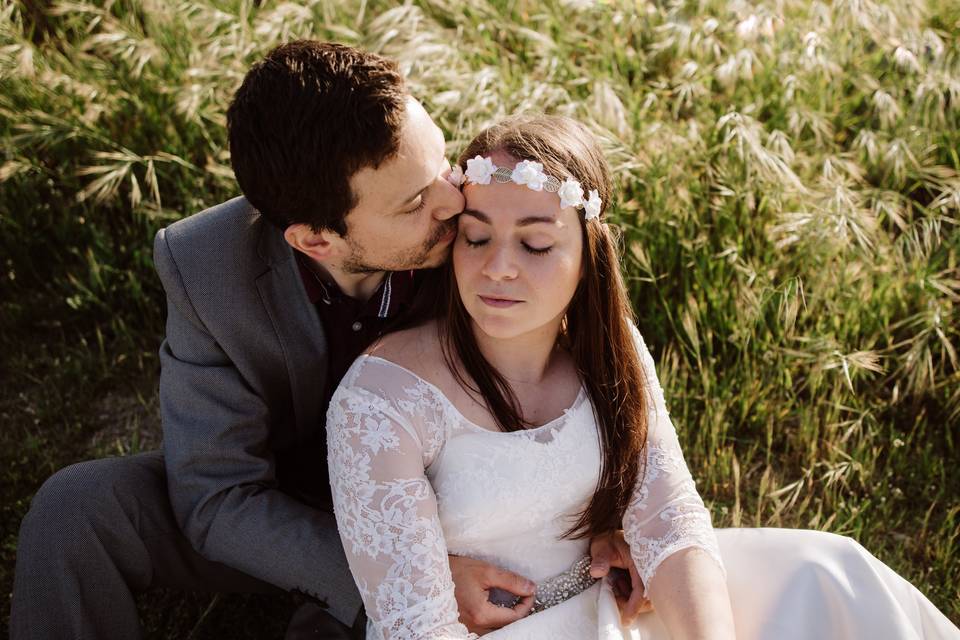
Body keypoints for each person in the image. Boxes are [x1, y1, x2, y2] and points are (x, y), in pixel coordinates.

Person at [12, 42, 637, 639]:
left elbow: (582, 357)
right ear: (316, 240)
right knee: (77, 508)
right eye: (417, 200)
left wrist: (615, 513)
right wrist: (406, 575)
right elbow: (215, 495)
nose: (453, 200)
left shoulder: (474, 230)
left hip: (441, 507)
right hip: (283, 503)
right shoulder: (201, 265)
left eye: (439, 161)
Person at [326, 114, 960, 639]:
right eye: (476, 237)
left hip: (619, 612)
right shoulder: (383, 400)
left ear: (586, 255)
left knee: (826, 574)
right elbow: (415, 626)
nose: (498, 268)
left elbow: (669, 518)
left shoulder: (611, 348)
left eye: (536, 245)